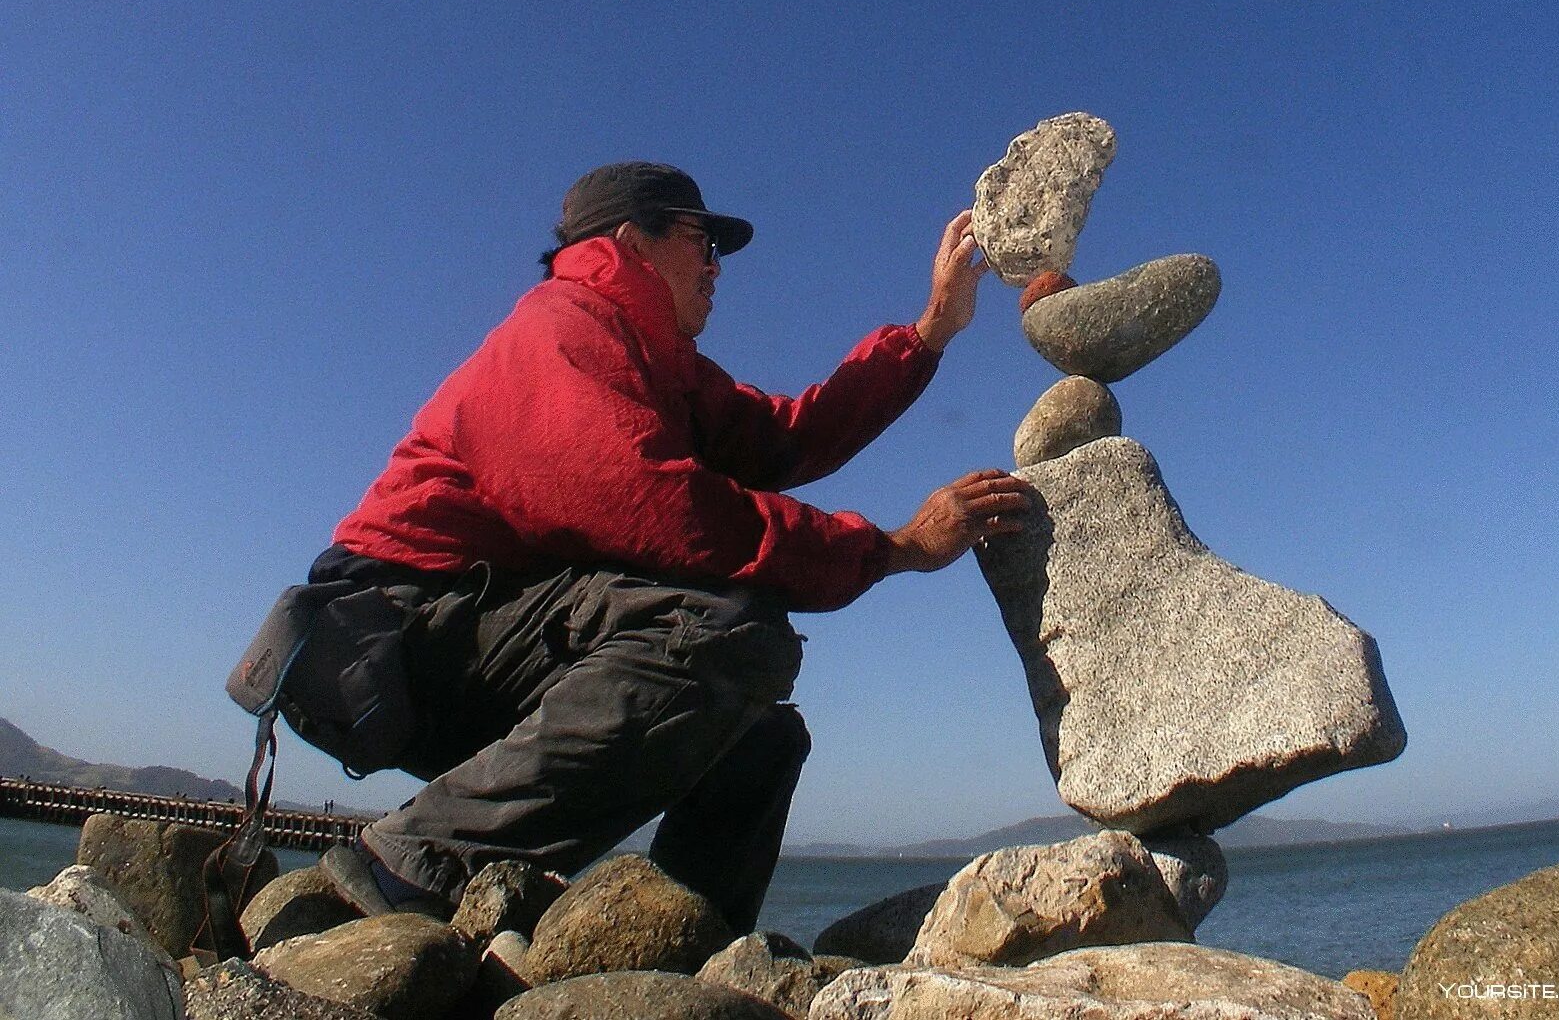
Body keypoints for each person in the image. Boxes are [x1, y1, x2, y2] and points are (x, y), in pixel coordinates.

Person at [311, 161, 1029, 930]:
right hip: (391, 636)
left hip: (480, 629)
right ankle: (409, 867)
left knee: (759, 734)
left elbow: (786, 438)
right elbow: (666, 509)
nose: (719, 267)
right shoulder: (559, 331)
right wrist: (893, 548)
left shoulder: (654, 357)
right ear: (633, 242)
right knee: (726, 627)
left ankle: (676, 947)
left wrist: (930, 331)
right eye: (704, 241)